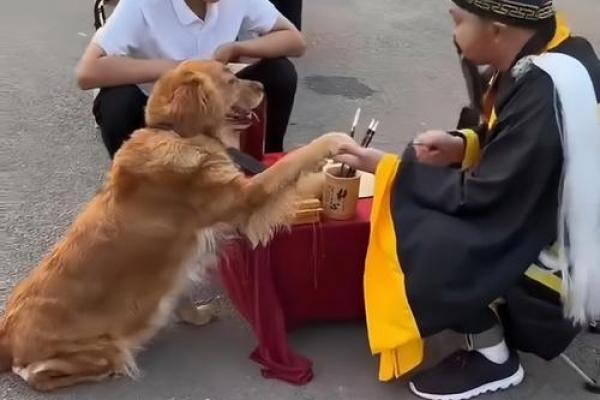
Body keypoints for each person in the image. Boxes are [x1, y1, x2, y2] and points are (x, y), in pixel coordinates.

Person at [335, 1, 600, 399]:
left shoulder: (545, 89)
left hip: (560, 259)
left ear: (496, 30)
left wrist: (390, 167)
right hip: (560, 216)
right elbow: (523, 154)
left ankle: (494, 356)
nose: (454, 34)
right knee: (430, 187)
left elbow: (485, 198)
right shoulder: (561, 48)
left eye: (458, 22)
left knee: (421, 232)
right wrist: (465, 145)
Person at [77, 0, 306, 157]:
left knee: (280, 73)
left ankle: (267, 159)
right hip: (156, 103)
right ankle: (136, 187)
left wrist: (238, 47)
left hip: (209, 98)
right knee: (117, 104)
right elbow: (88, 72)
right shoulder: (142, 4)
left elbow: (294, 40)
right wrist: (178, 69)